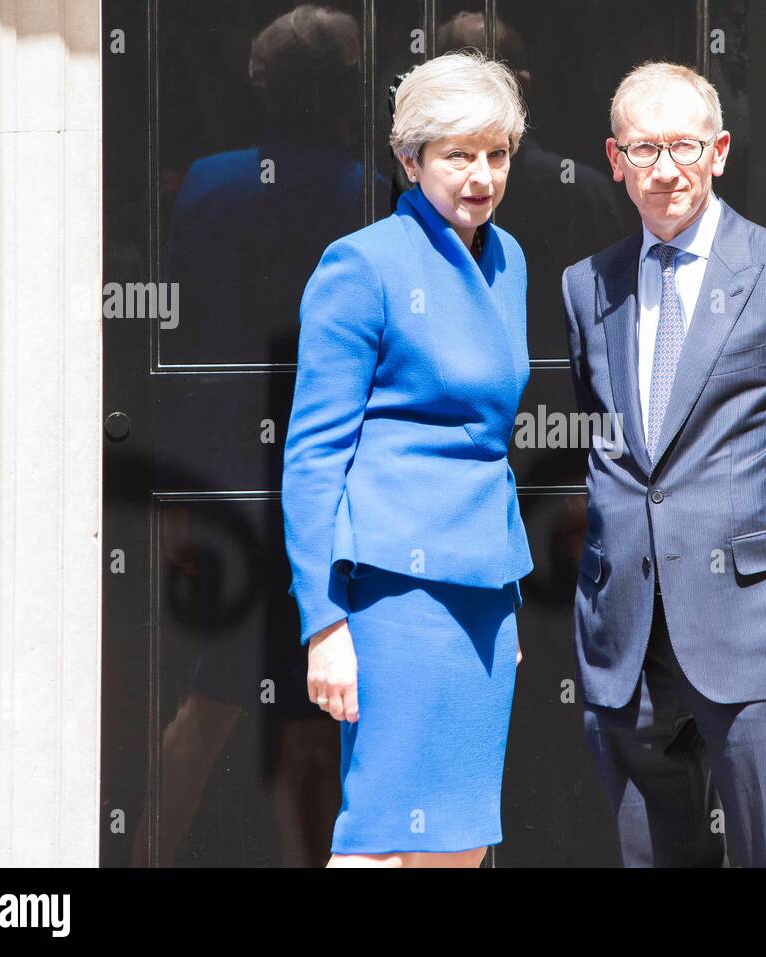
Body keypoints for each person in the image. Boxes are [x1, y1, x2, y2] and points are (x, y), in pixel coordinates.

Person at [561, 61, 766, 866]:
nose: (665, 169)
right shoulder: (586, 286)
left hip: (762, 632)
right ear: (614, 158)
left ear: (721, 150)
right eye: (644, 148)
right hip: (629, 639)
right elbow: (617, 439)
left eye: (685, 146)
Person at [281, 50, 533, 868]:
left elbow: (487, 445)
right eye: (458, 154)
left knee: (462, 841)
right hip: (395, 593)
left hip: (483, 594)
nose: (481, 176)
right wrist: (324, 623)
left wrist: (506, 596)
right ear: (410, 159)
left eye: (496, 154)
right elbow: (314, 457)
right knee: (384, 840)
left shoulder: (511, 260)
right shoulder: (361, 266)